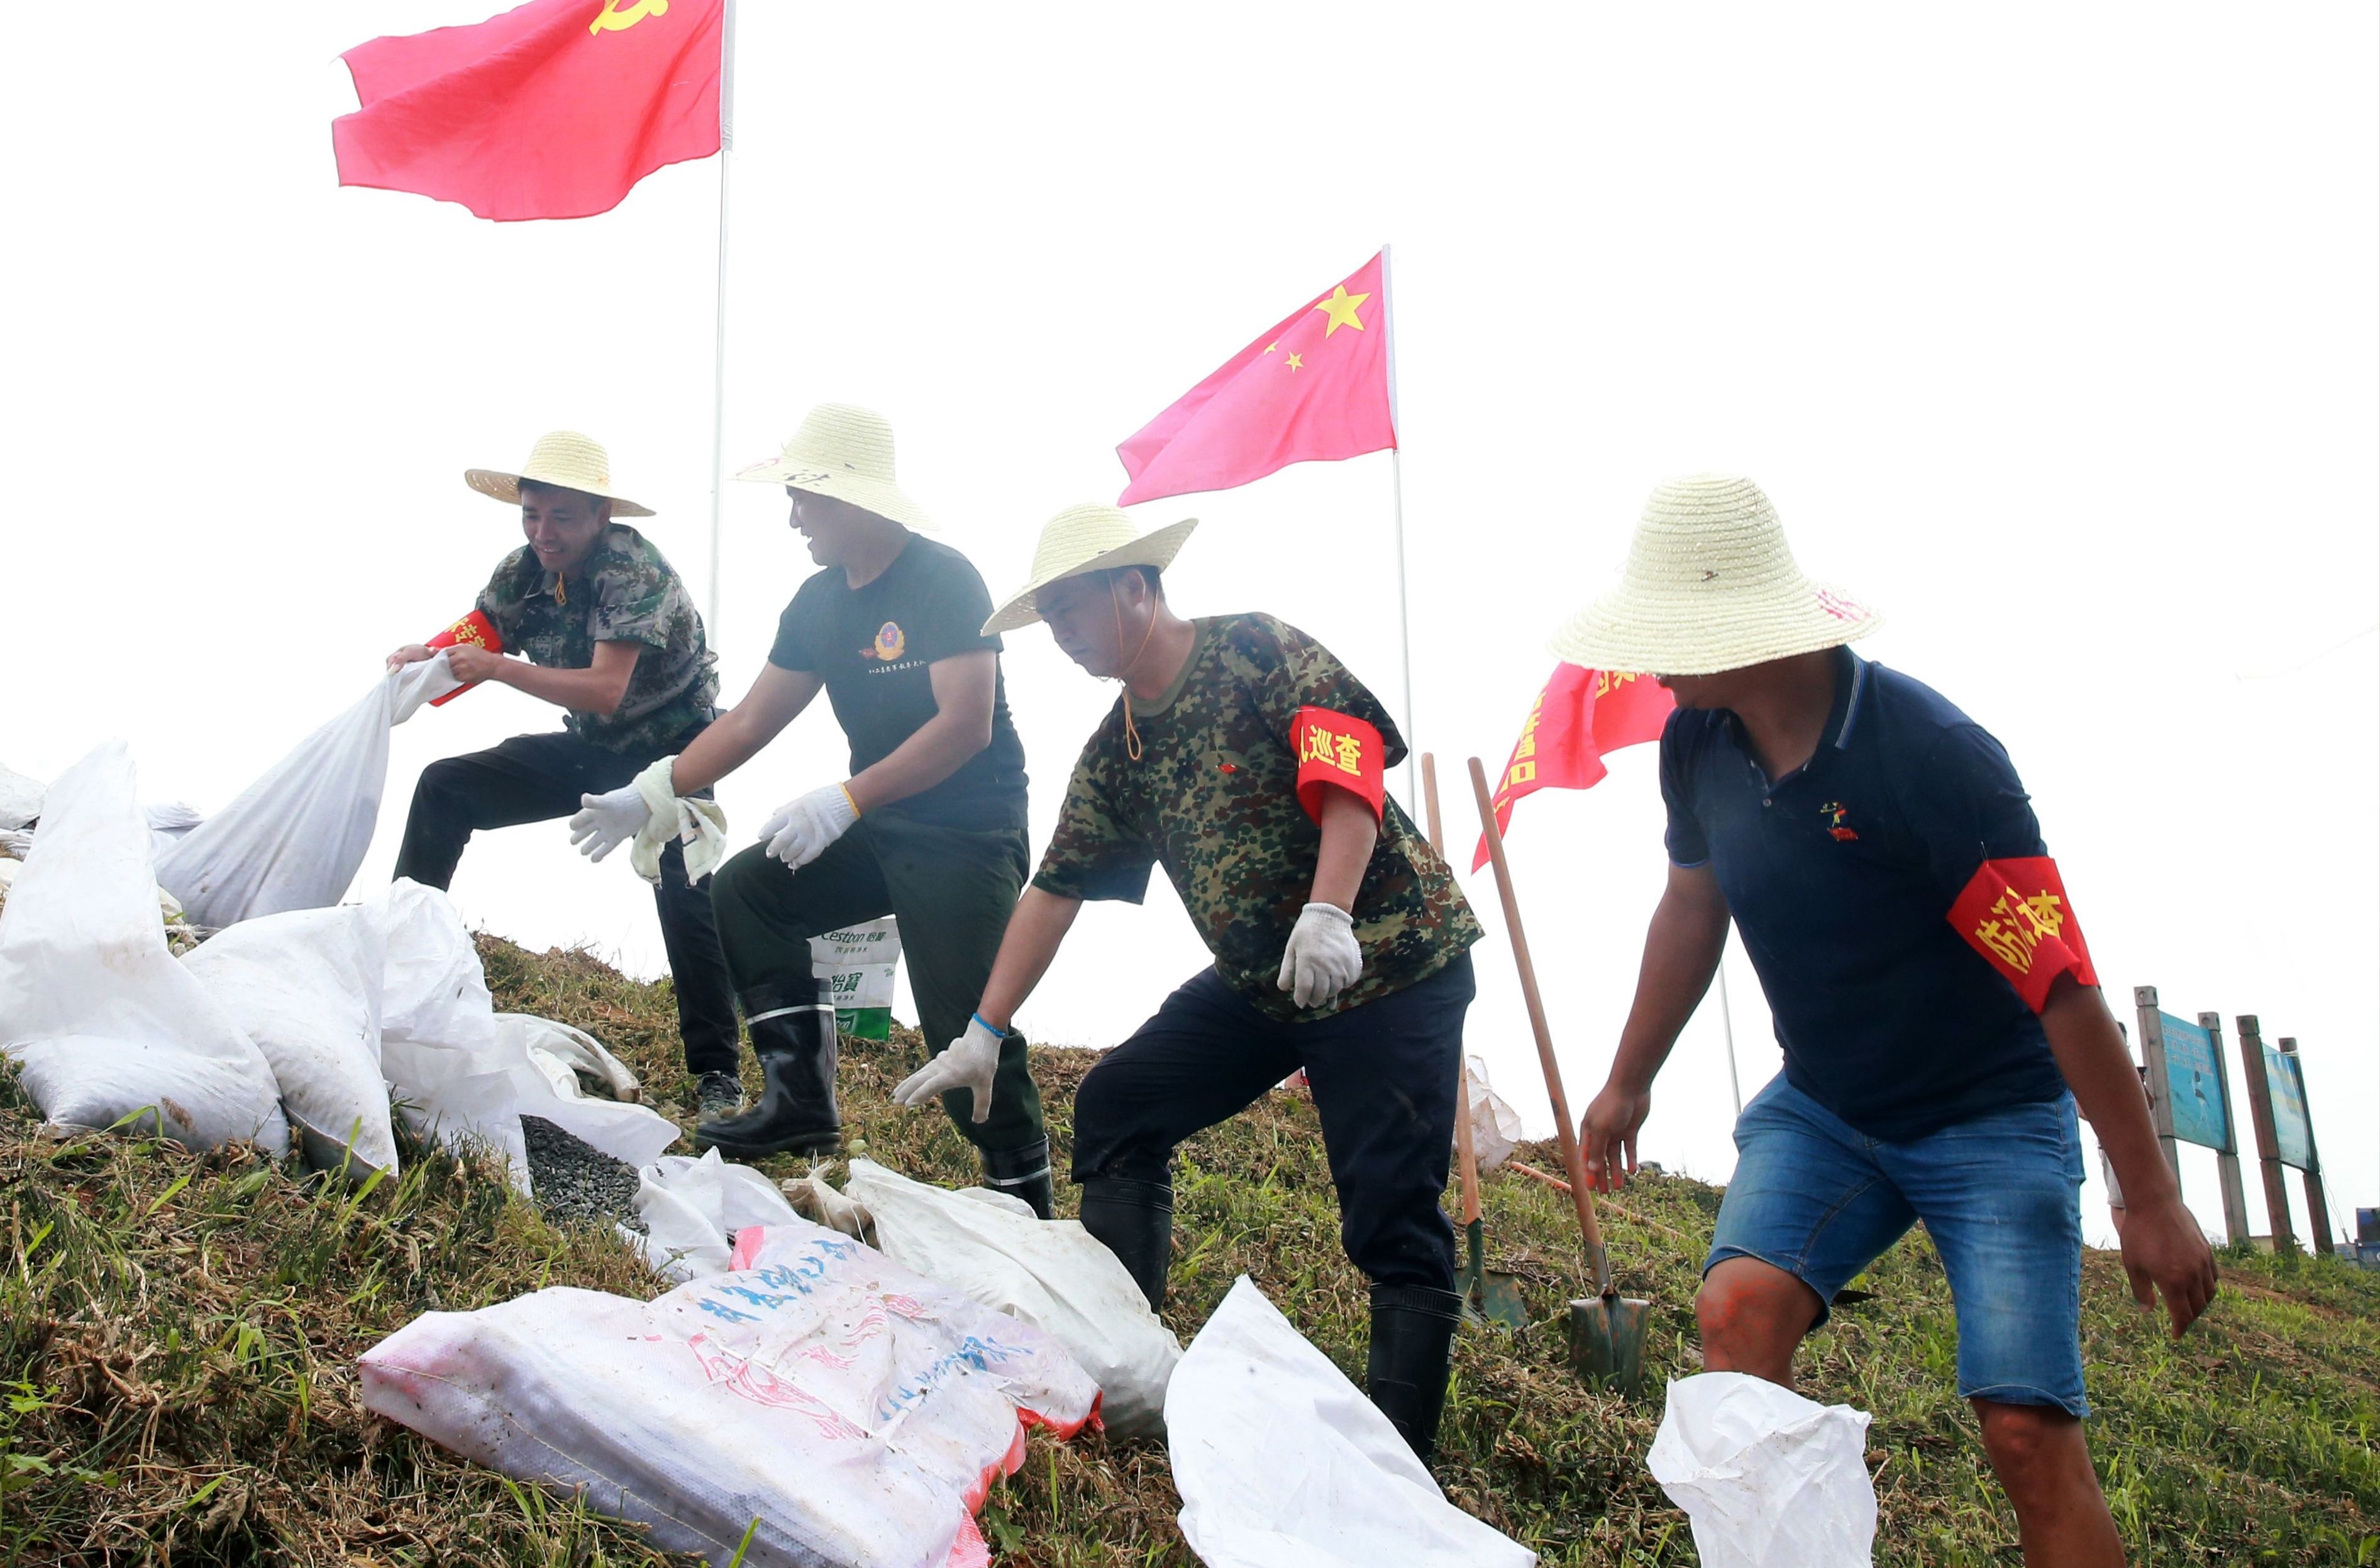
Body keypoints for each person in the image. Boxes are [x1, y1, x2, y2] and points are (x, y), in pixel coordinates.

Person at [1565, 474, 2218, 1568]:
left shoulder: (1930, 758)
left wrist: (2148, 1194)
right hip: (1826, 1106)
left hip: (1990, 1117)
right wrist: (1629, 1078)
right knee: (1736, 1310)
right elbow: (1693, 899)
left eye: (1669, 632)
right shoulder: (1698, 744)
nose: (1648, 658)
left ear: (1744, 629)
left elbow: (2057, 981)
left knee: (2024, 1429)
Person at [891, 504, 1485, 1467]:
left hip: (1387, 966)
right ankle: (1130, 1356)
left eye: (1075, 606)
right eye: (1051, 617)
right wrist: (982, 1029)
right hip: (1262, 984)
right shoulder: (1119, 742)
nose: (1065, 633)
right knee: (1122, 1102)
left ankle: (1400, 1461)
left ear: (1136, 584)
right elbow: (1055, 886)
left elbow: (1349, 766)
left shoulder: (1254, 650)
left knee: (1389, 1214)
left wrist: (1329, 911)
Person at [568, 404, 1055, 1213]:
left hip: (966, 836)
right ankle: (799, 1100)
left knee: (963, 1028)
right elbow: (752, 720)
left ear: (859, 501)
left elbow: (966, 726)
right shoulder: (817, 603)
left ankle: (1027, 1198)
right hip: (878, 823)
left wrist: (847, 797)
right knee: (747, 889)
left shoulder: (943, 579)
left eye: (807, 499)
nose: (793, 518)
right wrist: (655, 789)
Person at [387, 431, 739, 1117]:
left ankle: (717, 1076)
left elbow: (606, 688)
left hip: (674, 754)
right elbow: (484, 629)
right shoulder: (524, 568)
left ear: (602, 516)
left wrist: (499, 670)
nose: (543, 533)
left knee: (683, 883)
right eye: (531, 514)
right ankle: (397, 966)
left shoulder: (634, 572)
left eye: (562, 518)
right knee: (445, 786)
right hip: (590, 746)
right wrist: (424, 658)